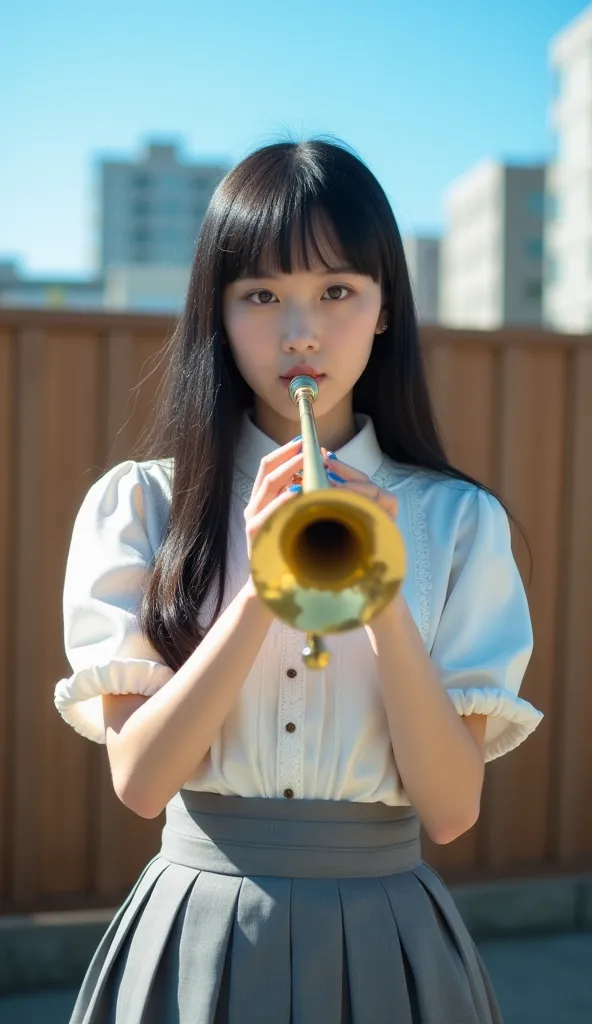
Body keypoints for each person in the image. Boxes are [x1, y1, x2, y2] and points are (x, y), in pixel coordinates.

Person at [54, 139, 543, 1023]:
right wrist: (258, 593)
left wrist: (383, 595)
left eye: (338, 292)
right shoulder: (143, 506)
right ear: (219, 311)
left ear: (387, 306)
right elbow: (141, 782)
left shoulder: (457, 523)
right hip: (197, 922)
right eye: (262, 296)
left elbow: (450, 810)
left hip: (387, 932)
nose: (301, 332)